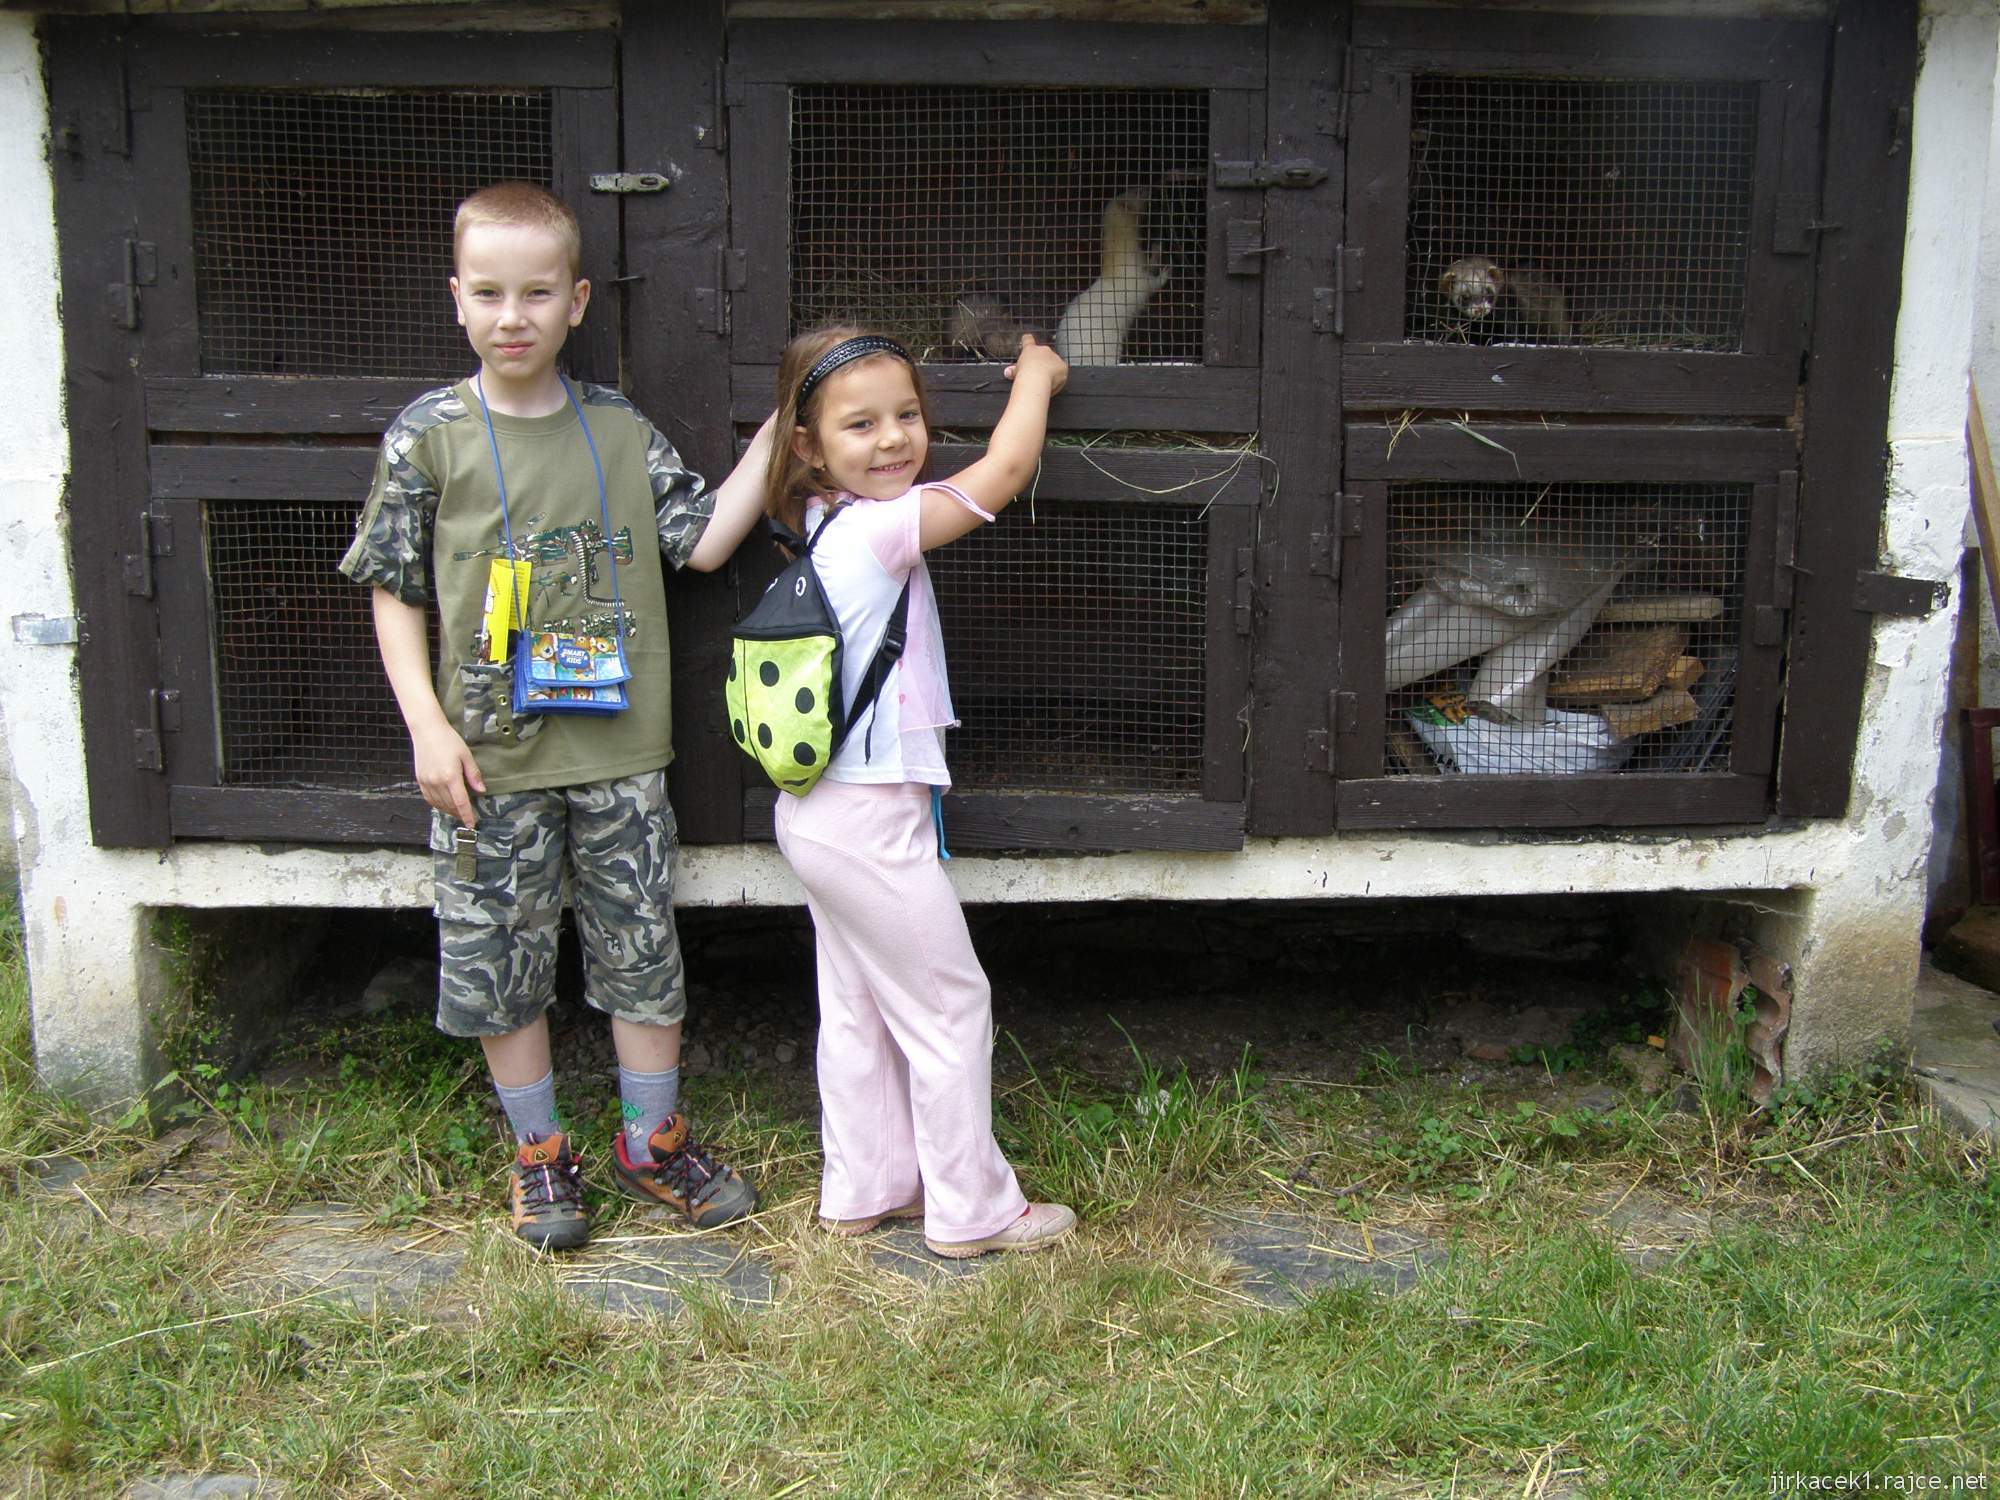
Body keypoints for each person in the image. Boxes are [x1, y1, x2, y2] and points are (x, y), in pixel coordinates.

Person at [339, 182, 775, 1251]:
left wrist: (786, 422)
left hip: (619, 754)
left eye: (536, 292)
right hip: (484, 760)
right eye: (488, 293)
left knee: (639, 947)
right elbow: (392, 586)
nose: (512, 316)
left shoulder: (618, 430)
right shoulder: (428, 437)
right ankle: (539, 1160)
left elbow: (705, 539)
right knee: (499, 960)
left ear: (577, 301)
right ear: (457, 300)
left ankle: (651, 1142)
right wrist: (426, 729)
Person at [761, 323, 1076, 1258]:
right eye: (862, 424)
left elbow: (795, 447)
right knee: (948, 1005)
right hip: (867, 819)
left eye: (908, 415)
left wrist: (800, 422)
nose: (895, 438)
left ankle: (866, 1188)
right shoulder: (881, 526)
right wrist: (1038, 377)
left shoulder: (818, 518)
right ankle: (975, 1209)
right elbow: (1006, 470)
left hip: (818, 816)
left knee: (859, 1006)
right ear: (811, 446)